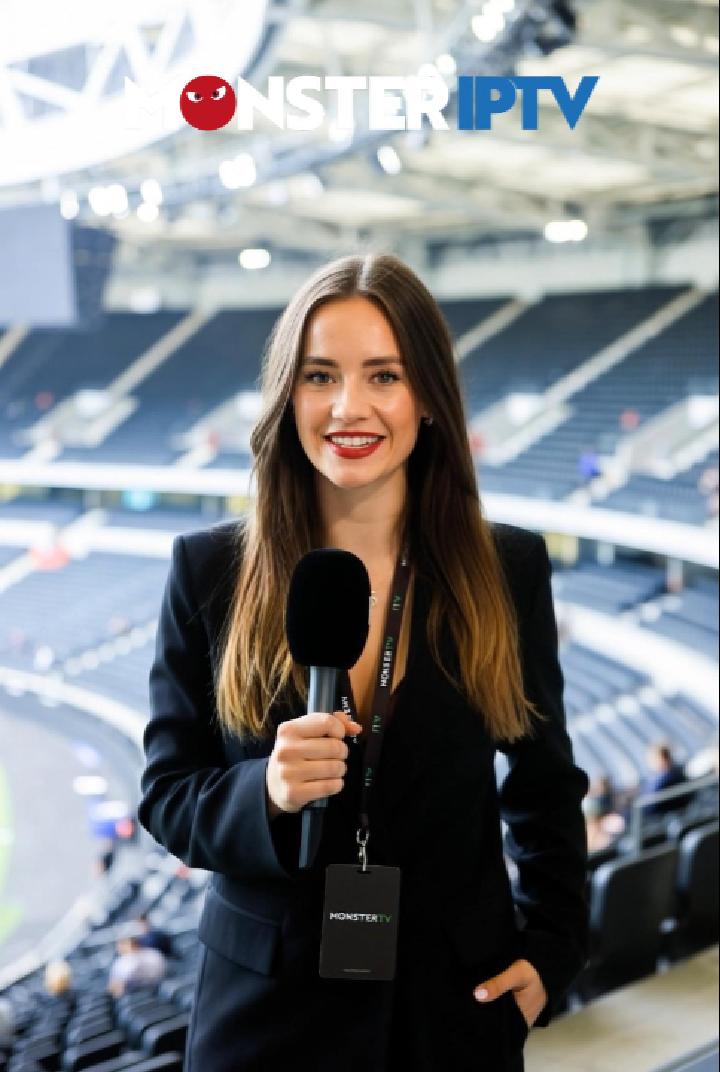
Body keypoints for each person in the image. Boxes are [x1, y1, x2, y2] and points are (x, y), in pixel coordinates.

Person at [137, 252, 590, 1072]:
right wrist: (265, 790)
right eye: (320, 376)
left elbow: (544, 781)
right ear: (287, 396)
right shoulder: (208, 571)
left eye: (384, 374)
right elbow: (169, 797)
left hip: (453, 1005)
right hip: (265, 1016)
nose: (350, 406)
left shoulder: (508, 568)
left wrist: (553, 954)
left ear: (429, 400)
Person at [642, 742, 690, 816]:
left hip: (663, 817)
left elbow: (651, 807)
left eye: (652, 760)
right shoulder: (677, 773)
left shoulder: (668, 779)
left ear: (661, 759)